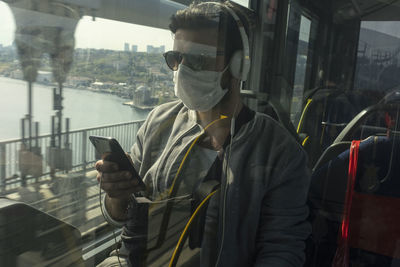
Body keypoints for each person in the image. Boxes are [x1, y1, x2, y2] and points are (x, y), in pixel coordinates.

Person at [96, 1, 311, 266]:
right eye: (176, 58)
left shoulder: (279, 152)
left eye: (198, 59)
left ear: (237, 65)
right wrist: (116, 195)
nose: (182, 70)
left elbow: (281, 251)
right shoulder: (158, 122)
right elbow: (120, 215)